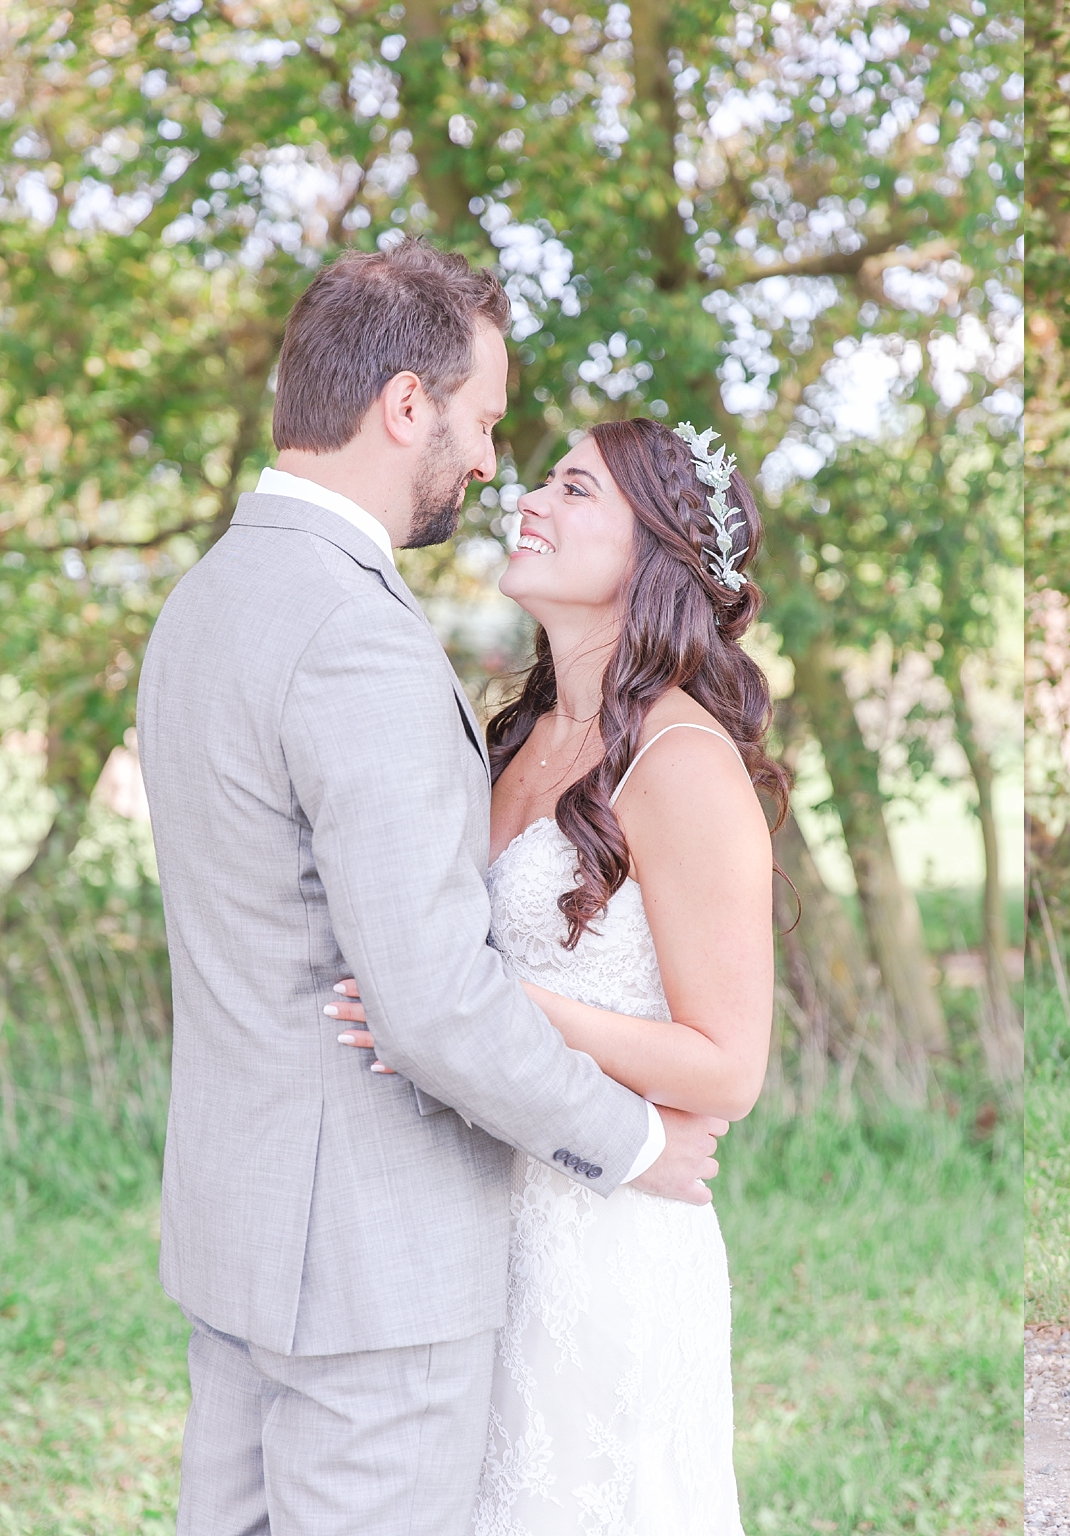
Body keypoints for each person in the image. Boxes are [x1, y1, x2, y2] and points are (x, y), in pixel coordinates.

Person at [136, 238, 726, 1534]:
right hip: (369, 1274)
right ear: (407, 404)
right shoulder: (355, 635)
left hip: (237, 1243)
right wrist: (636, 1144)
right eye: (485, 419)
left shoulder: (202, 605)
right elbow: (431, 1005)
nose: (487, 462)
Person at [334, 416, 781, 1532]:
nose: (528, 496)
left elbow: (726, 1070)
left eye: (574, 489)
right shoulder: (515, 735)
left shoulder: (682, 763)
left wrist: (489, 1008)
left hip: (610, 1232)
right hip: (478, 1218)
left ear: (656, 553)